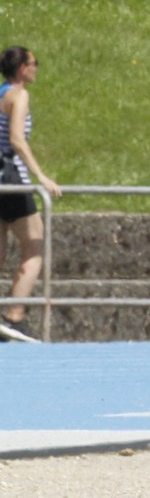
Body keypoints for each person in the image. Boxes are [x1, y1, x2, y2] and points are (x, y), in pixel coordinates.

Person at [0, 46, 59, 342]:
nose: (37, 68)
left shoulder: (0, 93)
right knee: (35, 246)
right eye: (35, 63)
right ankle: (14, 316)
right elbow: (16, 139)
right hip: (12, 178)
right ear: (23, 68)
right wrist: (41, 176)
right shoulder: (19, 96)